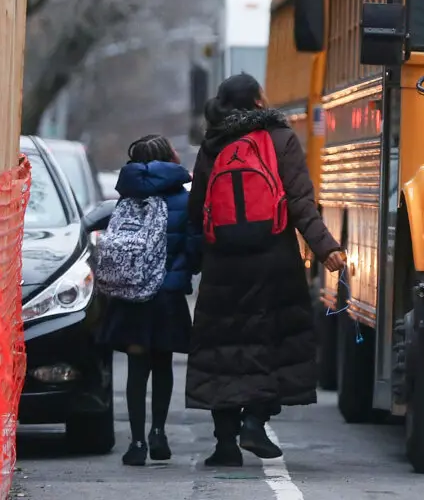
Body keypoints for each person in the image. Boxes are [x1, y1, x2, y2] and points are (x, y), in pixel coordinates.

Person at [186, 72, 346, 468]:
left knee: (222, 349)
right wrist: (325, 248)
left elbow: (197, 209)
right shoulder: (279, 138)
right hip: (273, 259)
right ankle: (255, 423)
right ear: (258, 101)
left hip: (223, 263)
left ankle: (225, 443)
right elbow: (299, 201)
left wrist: (196, 257)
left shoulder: (214, 142)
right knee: (271, 341)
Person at [97, 134, 199, 467]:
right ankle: (158, 433)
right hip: (166, 298)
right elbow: (194, 248)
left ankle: (137, 442)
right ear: (169, 159)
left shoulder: (125, 200)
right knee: (163, 365)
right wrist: (183, 273)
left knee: (137, 369)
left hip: (130, 298)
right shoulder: (185, 201)